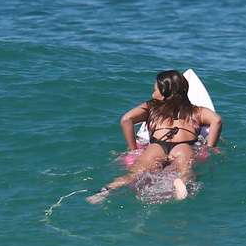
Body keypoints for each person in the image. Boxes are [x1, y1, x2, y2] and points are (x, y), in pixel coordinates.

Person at [86, 70, 222, 204]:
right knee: (185, 171)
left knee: (133, 175)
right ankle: (181, 183)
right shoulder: (196, 111)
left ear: (164, 95)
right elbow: (217, 121)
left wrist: (133, 149)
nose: (152, 93)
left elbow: (126, 119)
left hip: (157, 146)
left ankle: (105, 191)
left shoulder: (151, 107)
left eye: (155, 90)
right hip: (184, 146)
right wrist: (210, 147)